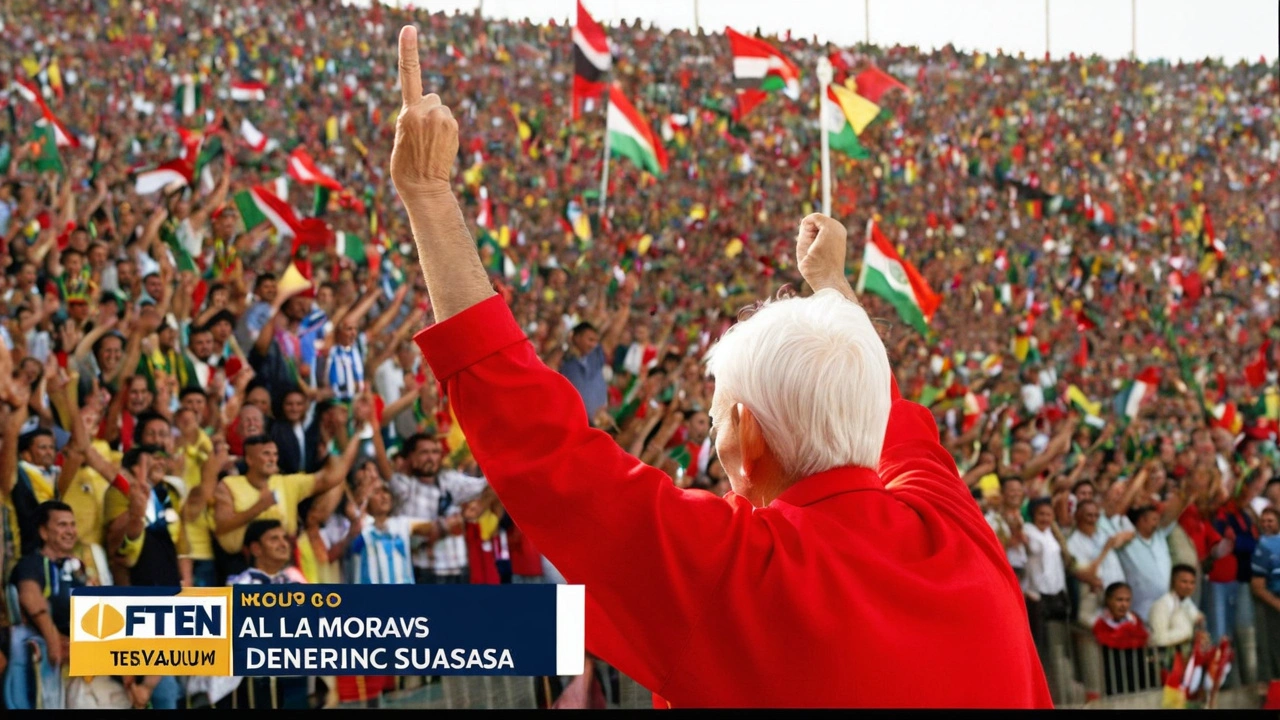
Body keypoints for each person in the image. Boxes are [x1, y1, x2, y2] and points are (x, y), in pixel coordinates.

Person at [388, 26, 1050, 708]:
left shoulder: (736, 571)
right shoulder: (956, 531)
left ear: (747, 432)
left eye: (715, 416)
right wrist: (831, 288)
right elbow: (880, 404)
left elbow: (539, 442)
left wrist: (430, 196)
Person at [1250, 507, 1280, 683]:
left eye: (1271, 521)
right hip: (1274, 606)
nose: (1266, 525)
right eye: (1264, 521)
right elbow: (1257, 586)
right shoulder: (1262, 547)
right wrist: (1277, 604)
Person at [1148, 564, 1207, 650]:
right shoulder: (1162, 605)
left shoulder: (1188, 603)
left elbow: (1198, 621)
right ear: (1173, 582)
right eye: (1184, 582)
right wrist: (1188, 634)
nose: (1188, 587)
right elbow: (1158, 639)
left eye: (1192, 583)